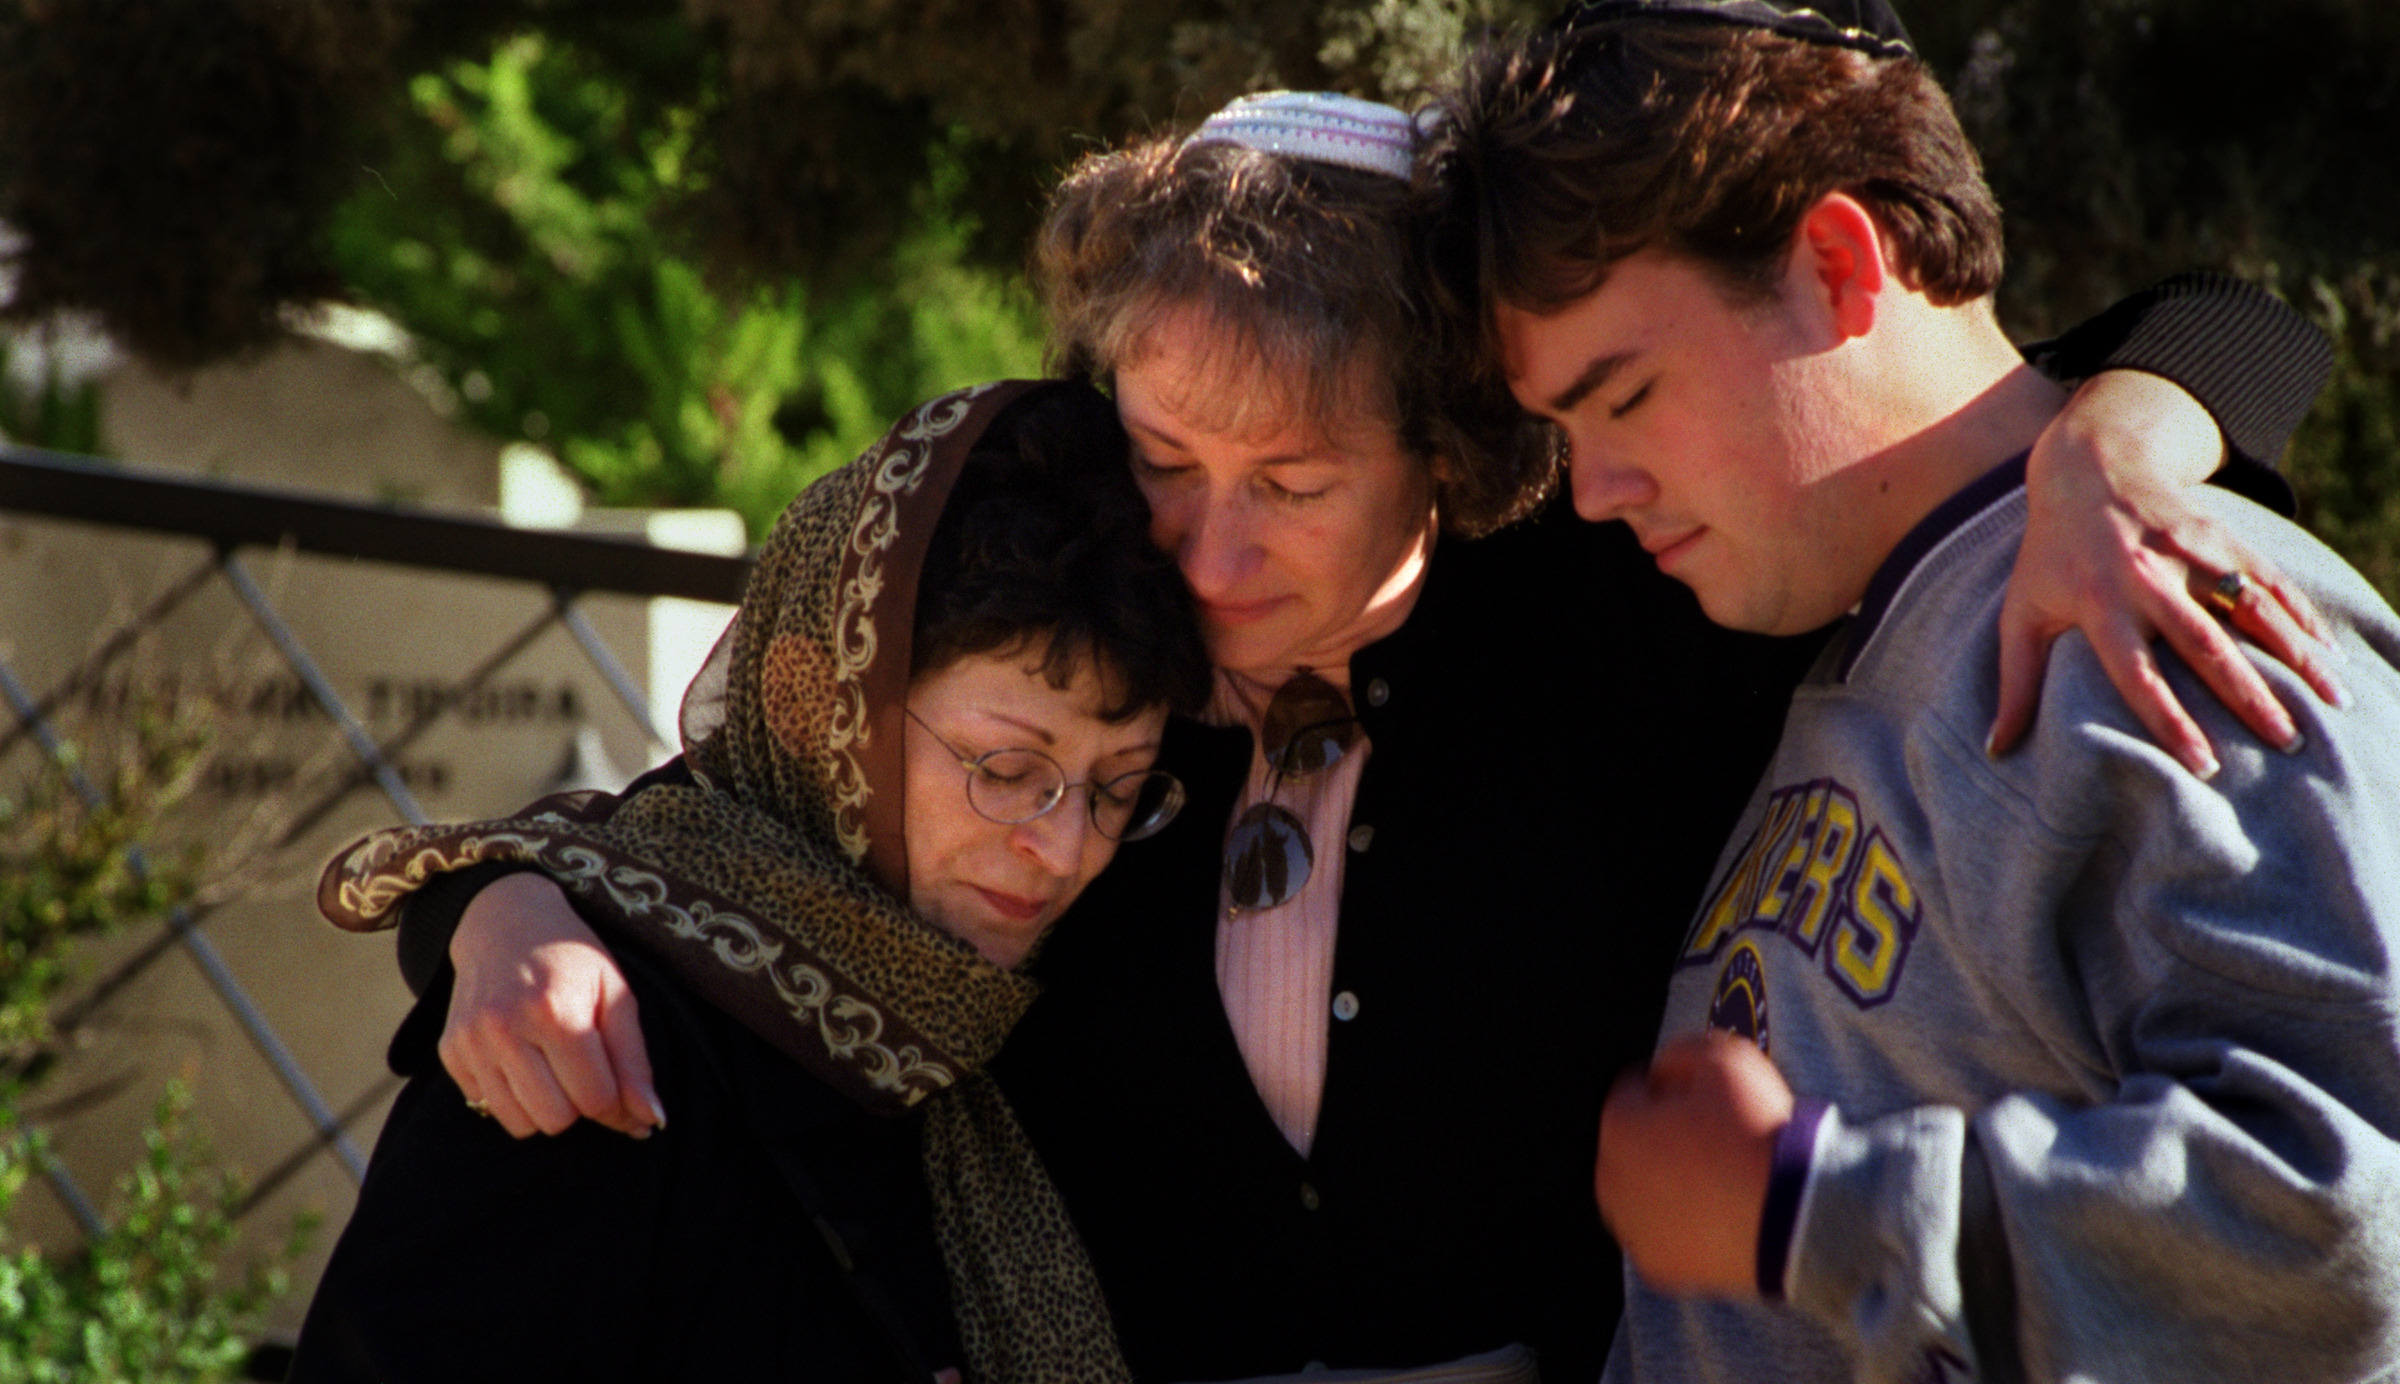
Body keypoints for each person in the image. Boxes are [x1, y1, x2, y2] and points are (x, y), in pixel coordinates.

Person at [387, 88, 2338, 1384]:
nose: (1209, 549)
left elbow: (2235, 323)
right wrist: (516, 901)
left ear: (1458, 445)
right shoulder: (1076, 621)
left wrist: (2129, 432)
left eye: (1294, 480)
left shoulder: (1632, 604)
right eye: (1166, 456)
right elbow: (763, 820)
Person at [1438, 4, 2400, 1381]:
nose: (1591, 491)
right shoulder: (1859, 633)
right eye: (1566, 432)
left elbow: (2352, 1230)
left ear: (1837, 262)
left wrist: (1805, 1209)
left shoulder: (2149, 597)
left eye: (1626, 396)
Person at [288, 381, 1210, 1384]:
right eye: (1005, 770)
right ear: (814, 706)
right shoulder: (578, 1048)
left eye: (1119, 787)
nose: (1066, 846)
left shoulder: (1026, 1004)